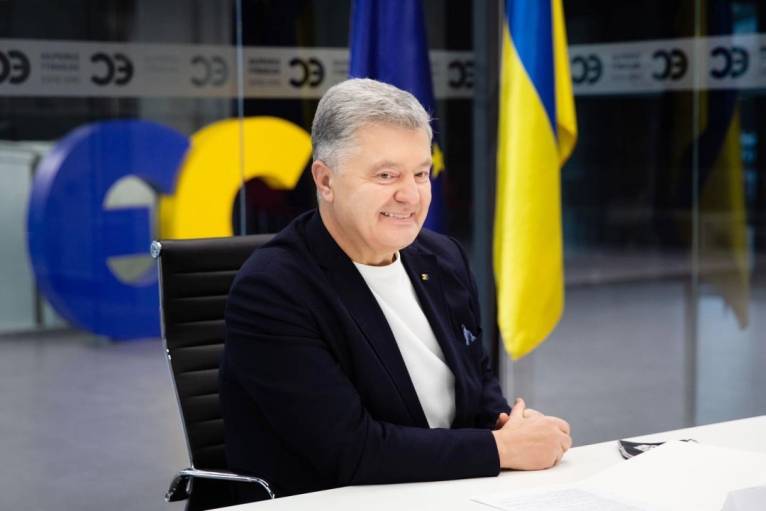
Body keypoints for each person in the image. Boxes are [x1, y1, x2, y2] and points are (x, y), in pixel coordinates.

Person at [220, 78, 571, 501]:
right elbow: (351, 451)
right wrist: (501, 449)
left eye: (421, 173)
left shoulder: (443, 258)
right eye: (386, 175)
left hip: (446, 493)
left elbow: (478, 388)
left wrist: (513, 427)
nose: (410, 195)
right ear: (325, 181)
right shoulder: (273, 289)